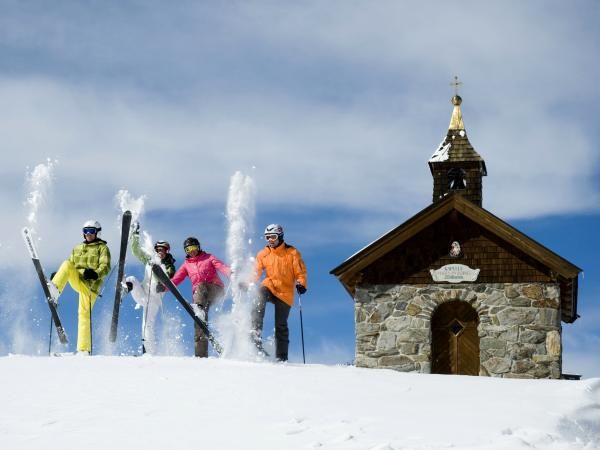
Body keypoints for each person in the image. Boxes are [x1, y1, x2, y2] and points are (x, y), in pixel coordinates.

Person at [48, 220, 111, 354]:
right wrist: (58, 275)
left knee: (84, 314)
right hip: (78, 279)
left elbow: (105, 266)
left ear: (97, 232)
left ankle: (83, 349)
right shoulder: (77, 248)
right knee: (66, 263)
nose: (88, 234)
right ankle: (55, 289)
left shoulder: (102, 248)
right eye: (86, 231)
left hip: (91, 286)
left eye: (91, 231)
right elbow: (69, 265)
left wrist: (95, 273)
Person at [252, 224, 307, 362]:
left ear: (280, 236)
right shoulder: (263, 254)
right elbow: (255, 272)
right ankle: (255, 333)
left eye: (273, 237)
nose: (270, 240)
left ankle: (281, 358)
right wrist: (246, 283)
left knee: (280, 324)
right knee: (260, 294)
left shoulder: (292, 252)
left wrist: (301, 284)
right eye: (267, 237)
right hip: (270, 286)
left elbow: (300, 272)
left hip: (285, 292)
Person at [170, 237, 231, 357]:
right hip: (201, 298)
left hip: (215, 290)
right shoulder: (186, 265)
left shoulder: (209, 257)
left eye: (194, 248)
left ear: (198, 247)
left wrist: (231, 273)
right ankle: (201, 356)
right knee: (199, 325)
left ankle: (198, 309)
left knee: (201, 285)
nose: (191, 251)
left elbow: (222, 267)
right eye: (188, 249)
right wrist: (164, 286)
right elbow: (176, 279)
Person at [123, 222, 176, 354]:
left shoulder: (169, 265)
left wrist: (162, 284)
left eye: (163, 250)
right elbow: (136, 251)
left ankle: (149, 351)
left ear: (167, 251)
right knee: (130, 279)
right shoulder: (149, 260)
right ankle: (124, 289)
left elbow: (170, 276)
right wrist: (135, 234)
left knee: (147, 325)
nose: (160, 252)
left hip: (154, 300)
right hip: (142, 293)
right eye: (158, 249)